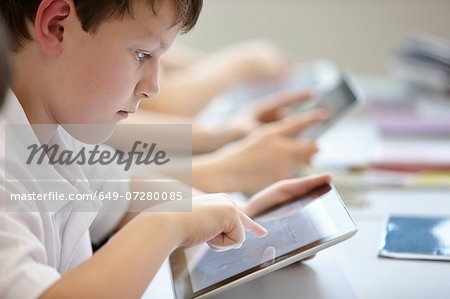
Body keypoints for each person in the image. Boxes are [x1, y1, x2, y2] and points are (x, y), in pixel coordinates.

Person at [0, 1, 331, 299]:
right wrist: (165, 223)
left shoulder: (58, 135)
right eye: (142, 55)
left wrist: (233, 216)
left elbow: (125, 191)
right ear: (57, 26)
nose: (153, 87)